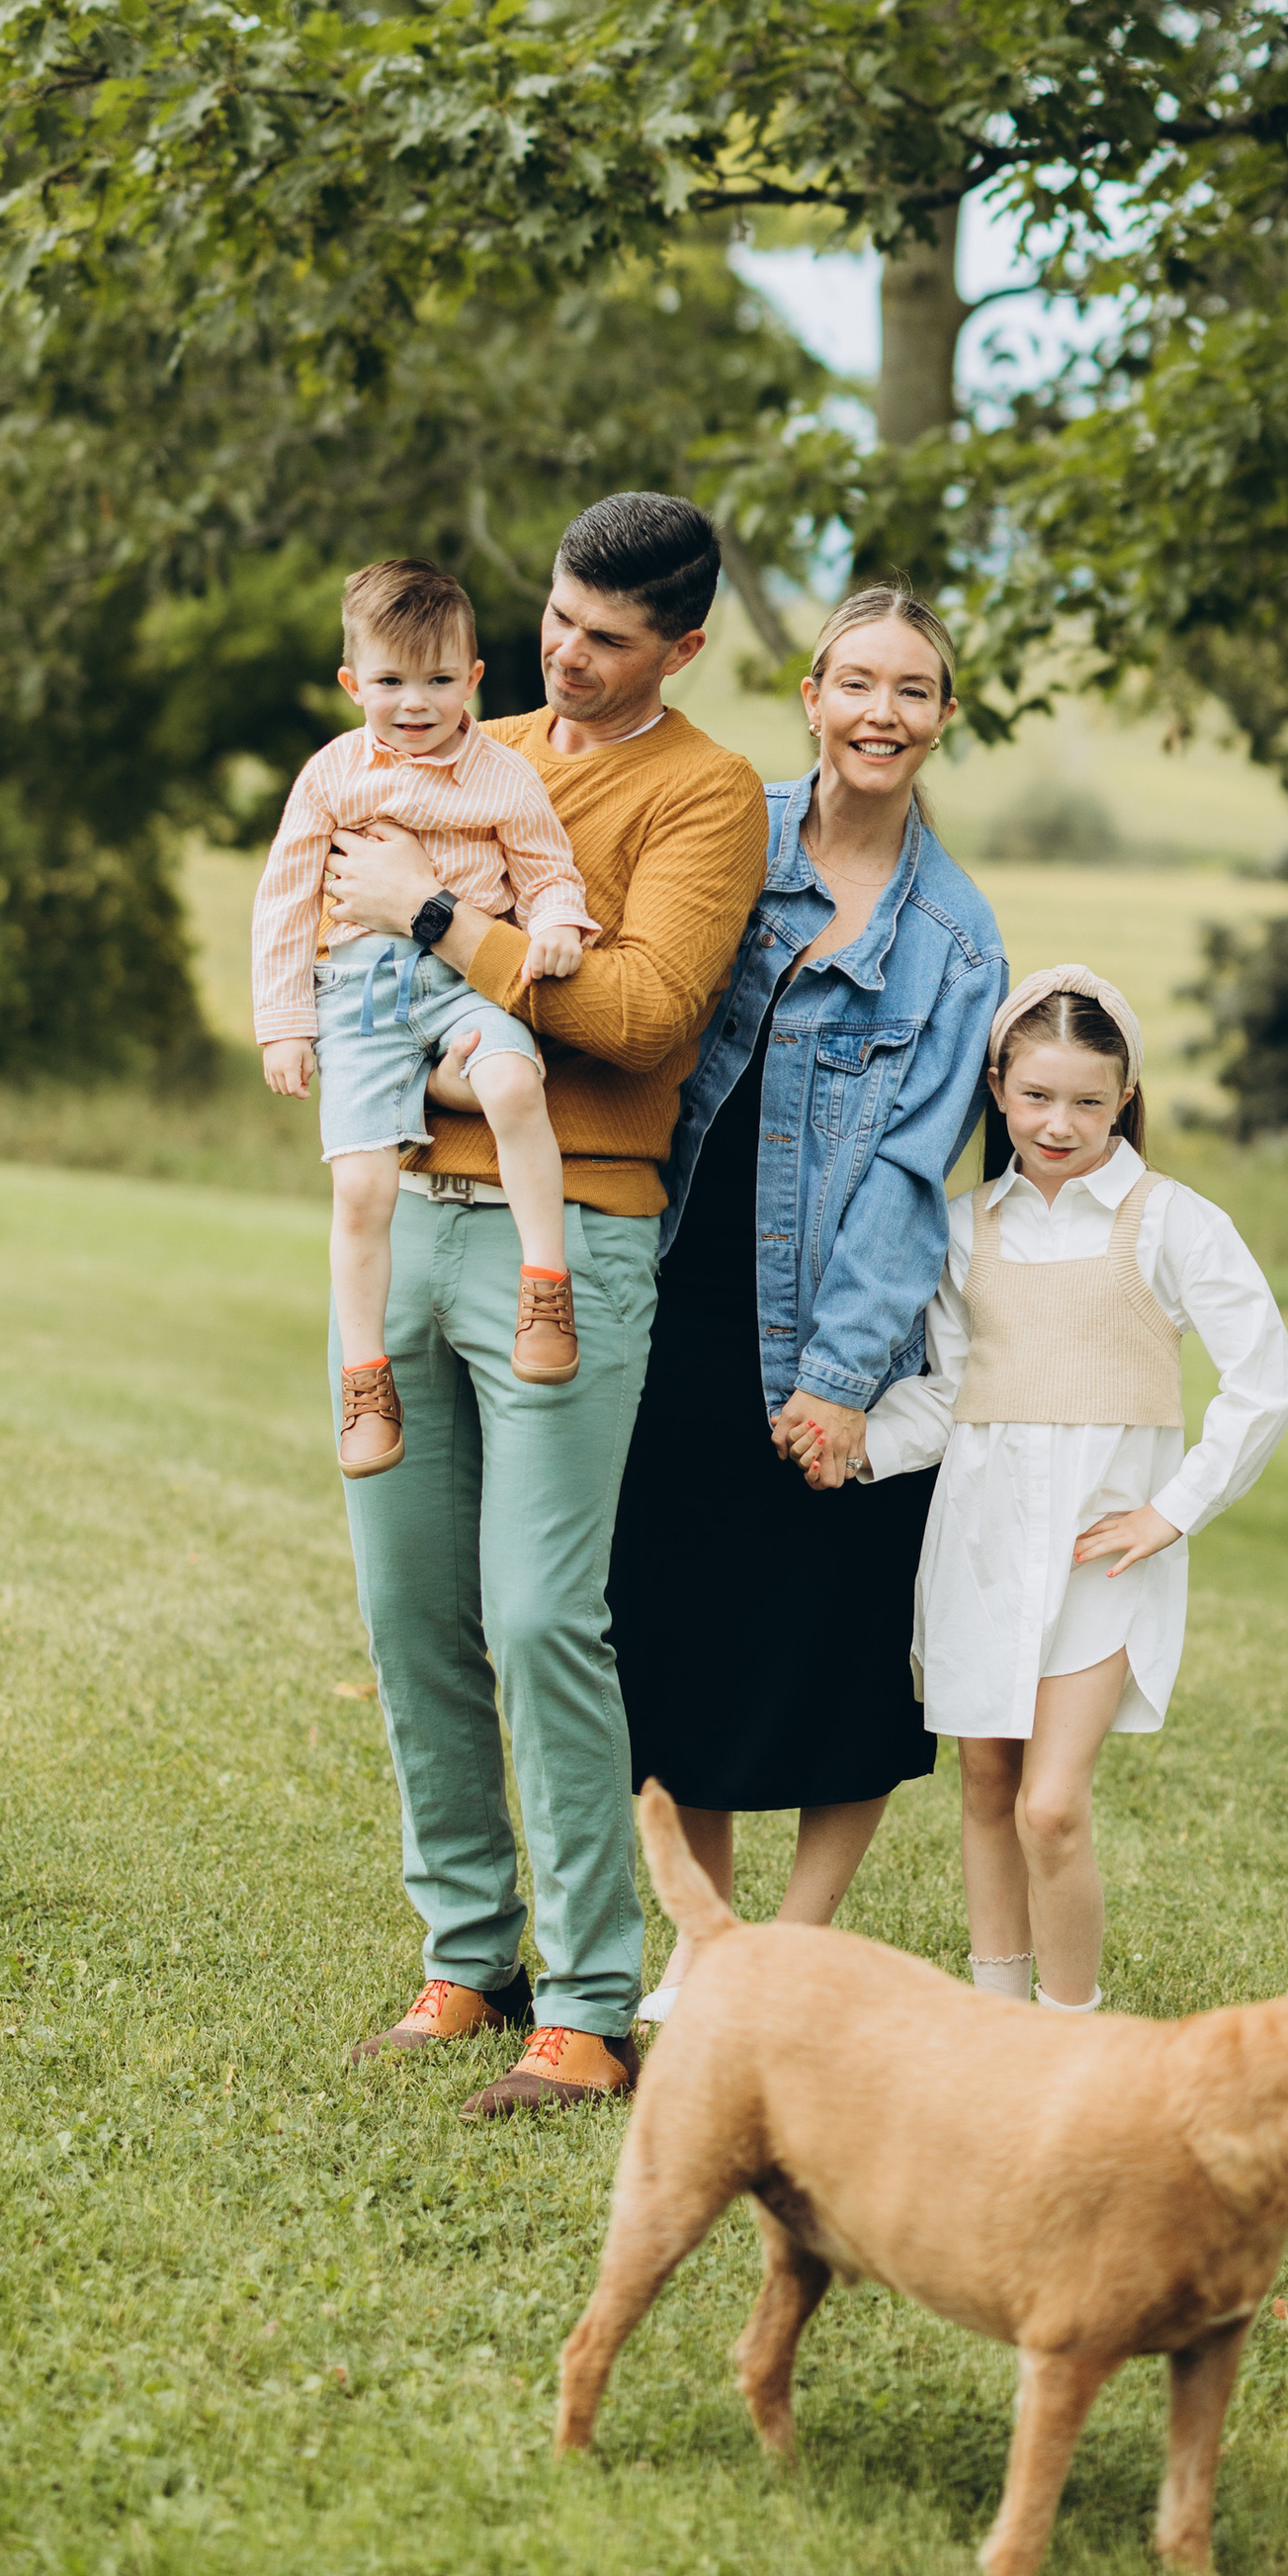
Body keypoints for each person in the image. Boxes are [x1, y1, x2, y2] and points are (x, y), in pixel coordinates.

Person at [313, 495, 766, 2119]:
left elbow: (645, 1016)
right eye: (559, 623)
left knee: (538, 1618)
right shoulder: (458, 738)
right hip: (397, 1213)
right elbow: (325, 898)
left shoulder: (708, 795)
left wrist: (437, 924)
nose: (568, 660)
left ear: (685, 647)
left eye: (610, 639)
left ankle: (585, 2005)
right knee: (408, 1609)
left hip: (570, 1228)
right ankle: (468, 1956)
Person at [609, 585, 1005, 2018]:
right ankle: (705, 1943)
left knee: (838, 1649)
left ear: (943, 720)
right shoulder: (726, 833)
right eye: (858, 682)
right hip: (668, 1287)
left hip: (837, 1331)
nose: (880, 713)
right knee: (669, 1623)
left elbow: (910, 1178)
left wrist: (840, 1377)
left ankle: (795, 1949)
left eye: (913, 691)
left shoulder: (956, 946)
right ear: (813, 695)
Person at [858, 966, 1288, 2013]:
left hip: (1100, 1557)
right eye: (1037, 1097)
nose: (1059, 1123)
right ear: (1000, 1088)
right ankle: (996, 2024)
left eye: (1089, 1101)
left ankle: (1069, 2031)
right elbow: (950, 1393)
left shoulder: (1170, 1222)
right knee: (985, 1786)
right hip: (980, 1542)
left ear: (1125, 1098)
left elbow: (1265, 1379)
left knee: (1050, 1807)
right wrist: (855, 1445)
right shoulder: (967, 1229)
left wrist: (1171, 1509)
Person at [252, 561, 600, 1473]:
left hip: (462, 990)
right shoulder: (333, 775)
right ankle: (366, 1380)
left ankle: (544, 1284)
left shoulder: (506, 778)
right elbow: (287, 898)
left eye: (440, 681)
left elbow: (548, 870)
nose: (416, 703)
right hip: (361, 998)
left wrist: (559, 923)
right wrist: (284, 1022)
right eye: (391, 682)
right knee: (362, 1190)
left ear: (476, 678)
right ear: (352, 683)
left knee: (516, 1083)